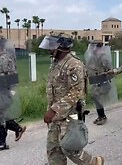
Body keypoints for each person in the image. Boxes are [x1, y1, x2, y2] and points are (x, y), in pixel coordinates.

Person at [40, 33, 104, 165]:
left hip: (70, 114)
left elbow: (76, 92)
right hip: (56, 115)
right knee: (53, 149)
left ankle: (93, 162)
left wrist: (54, 110)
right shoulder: (56, 63)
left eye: (52, 46)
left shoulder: (74, 65)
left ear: (61, 47)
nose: (49, 49)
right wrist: (52, 111)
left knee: (69, 148)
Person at [84, 41, 116, 125]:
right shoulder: (92, 56)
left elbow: (108, 69)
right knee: (96, 98)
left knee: (97, 98)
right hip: (95, 80)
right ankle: (101, 115)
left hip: (102, 80)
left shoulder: (103, 57)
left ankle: (102, 116)